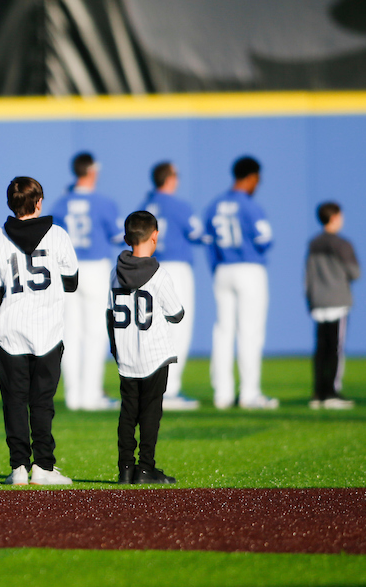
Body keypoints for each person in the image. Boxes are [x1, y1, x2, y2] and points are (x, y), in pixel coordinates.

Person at [0, 176, 79, 485]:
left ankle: (18, 468)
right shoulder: (57, 235)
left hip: (11, 328)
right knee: (42, 402)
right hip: (48, 329)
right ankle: (44, 466)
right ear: (39, 203)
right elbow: (72, 281)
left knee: (14, 402)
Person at [107, 210, 184, 485]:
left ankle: (125, 468)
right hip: (154, 354)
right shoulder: (159, 274)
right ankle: (145, 469)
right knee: (150, 413)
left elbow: (109, 315)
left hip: (126, 356)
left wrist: (116, 349)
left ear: (127, 238)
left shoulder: (114, 272)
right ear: (155, 236)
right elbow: (176, 313)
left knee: (128, 412)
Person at [201, 156, 277, 410]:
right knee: (250, 332)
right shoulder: (250, 206)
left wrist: (217, 267)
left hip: (223, 269)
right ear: (252, 176)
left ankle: (222, 394)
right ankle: (249, 393)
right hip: (248, 268)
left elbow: (208, 242)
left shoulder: (214, 205)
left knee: (223, 332)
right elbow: (265, 240)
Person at [50, 152, 122, 411]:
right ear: (91, 170)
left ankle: (74, 395)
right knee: (94, 333)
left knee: (69, 333)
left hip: (67, 269)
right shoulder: (103, 202)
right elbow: (117, 236)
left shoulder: (61, 203)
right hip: (94, 267)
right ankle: (90, 395)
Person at [141, 161, 204, 410]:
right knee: (178, 327)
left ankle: (151, 387)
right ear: (169, 179)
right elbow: (198, 233)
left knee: (151, 329)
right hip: (175, 269)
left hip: (148, 269)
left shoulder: (145, 206)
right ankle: (170, 390)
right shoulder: (178, 206)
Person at [305, 202, 360, 409]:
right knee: (335, 348)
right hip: (337, 300)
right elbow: (355, 272)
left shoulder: (314, 244)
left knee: (320, 348)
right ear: (335, 217)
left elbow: (308, 275)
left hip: (318, 300)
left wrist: (310, 298)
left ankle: (318, 392)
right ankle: (331, 393)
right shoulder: (342, 244)